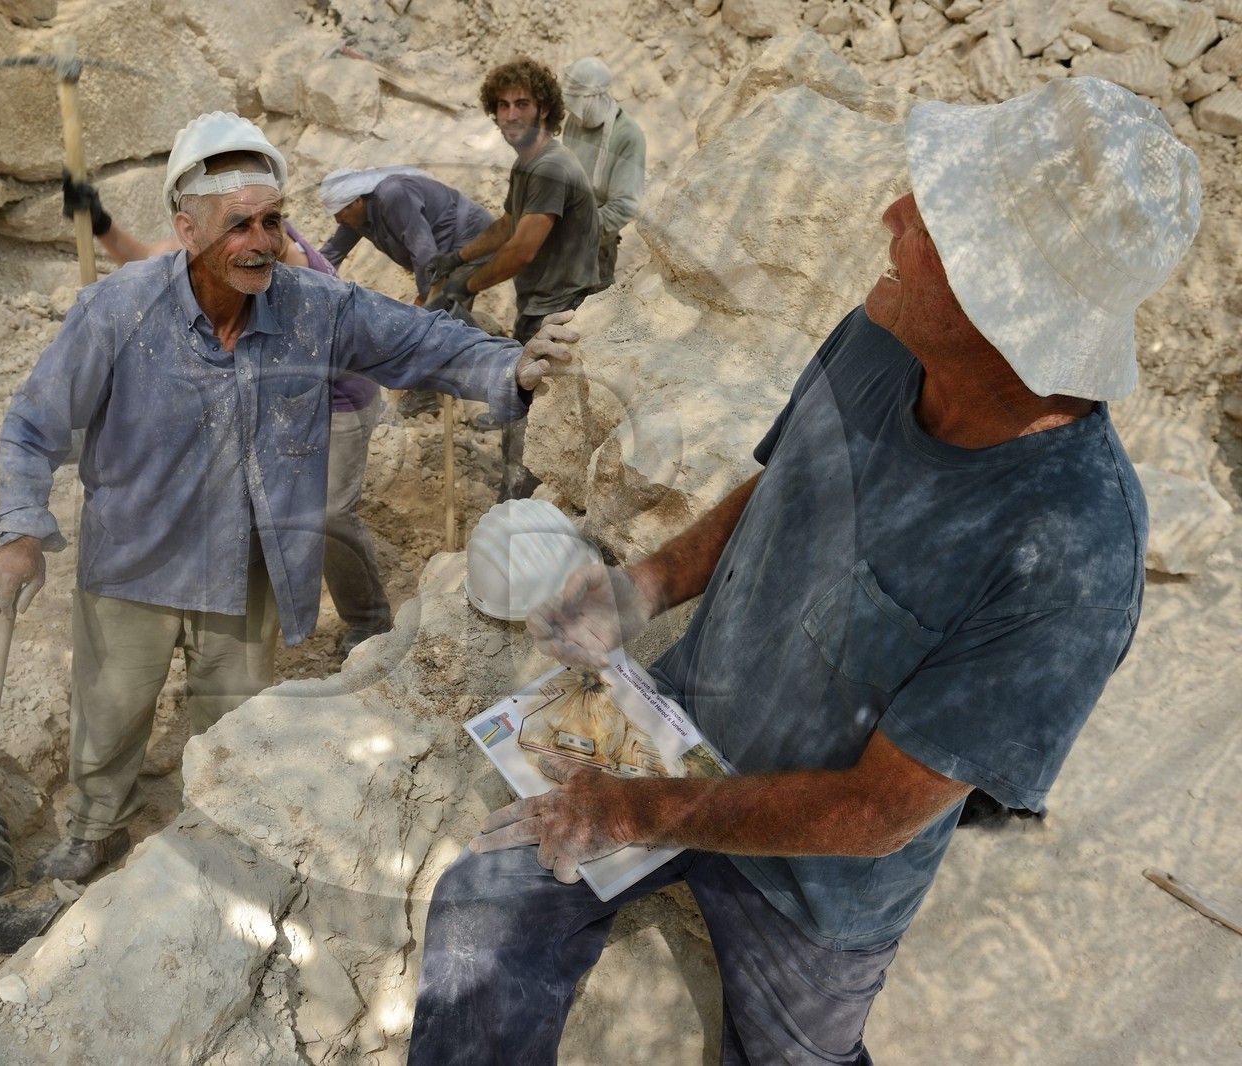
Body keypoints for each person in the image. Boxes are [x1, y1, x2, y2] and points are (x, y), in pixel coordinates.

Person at [406, 77, 1199, 1065]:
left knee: (795, 1057)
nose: (892, 216)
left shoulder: (1072, 555)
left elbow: (873, 816)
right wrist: (643, 585)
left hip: (816, 878)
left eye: (935, 220)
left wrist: (635, 809)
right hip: (682, 725)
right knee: (481, 908)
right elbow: (781, 483)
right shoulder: (885, 333)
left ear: (1003, 305)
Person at [0, 111, 573, 884]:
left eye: (273, 220)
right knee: (111, 714)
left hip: (242, 566)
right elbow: (32, 426)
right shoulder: (118, 311)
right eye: (239, 227)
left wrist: (513, 366)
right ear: (187, 230)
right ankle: (97, 829)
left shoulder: (312, 307)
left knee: (232, 723)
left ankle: (213, 835)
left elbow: (420, 341)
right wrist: (20, 530)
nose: (263, 241)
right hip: (132, 561)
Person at [62, 169, 394, 659]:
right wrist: (101, 223)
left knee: (324, 514)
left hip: (338, 397)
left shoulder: (282, 255)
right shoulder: (218, 251)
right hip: (284, 398)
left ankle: (371, 621)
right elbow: (147, 260)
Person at [427, 56, 600, 502]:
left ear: (544, 108)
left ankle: (519, 520)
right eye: (502, 106)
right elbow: (508, 223)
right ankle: (516, 511)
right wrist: (457, 258)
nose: (510, 115)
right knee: (521, 424)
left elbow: (523, 248)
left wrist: (465, 286)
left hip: (561, 316)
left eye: (521, 103)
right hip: (540, 309)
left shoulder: (550, 167)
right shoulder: (529, 163)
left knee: (532, 437)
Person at [319, 166, 498, 418]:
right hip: (439, 258)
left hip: (468, 244)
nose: (336, 220)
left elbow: (422, 248)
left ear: (357, 200)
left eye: (339, 213)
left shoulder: (393, 195)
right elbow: (330, 255)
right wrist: (307, 283)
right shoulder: (354, 219)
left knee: (435, 322)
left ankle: (487, 386)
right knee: (436, 321)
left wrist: (429, 300)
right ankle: (443, 385)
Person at [559, 56, 646, 291]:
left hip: (595, 249)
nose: (572, 114)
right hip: (561, 236)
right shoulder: (576, 121)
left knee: (585, 315)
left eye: (576, 105)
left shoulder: (628, 136)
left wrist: (577, 229)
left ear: (594, 98)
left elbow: (625, 205)